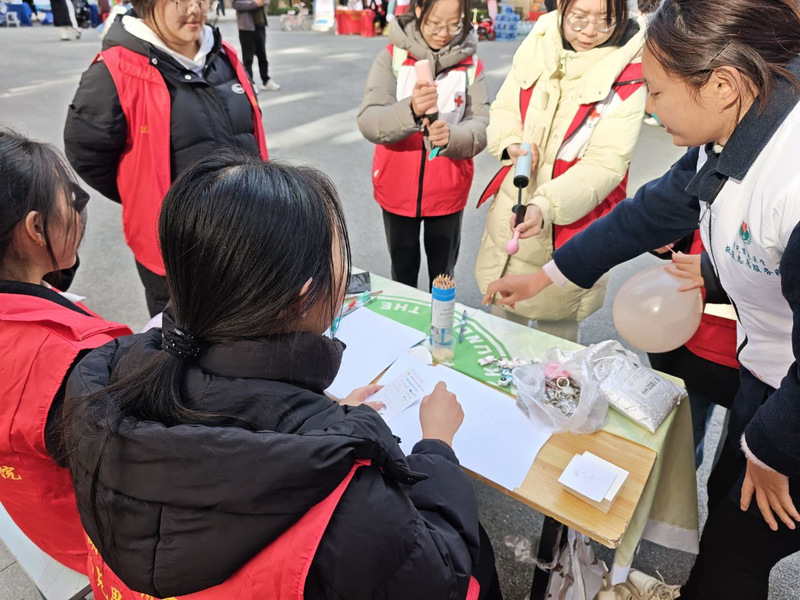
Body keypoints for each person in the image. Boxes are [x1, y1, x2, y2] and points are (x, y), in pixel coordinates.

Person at [63, 152, 501, 600]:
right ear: (303, 296)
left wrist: (330, 417)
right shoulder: (347, 496)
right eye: (338, 260)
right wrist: (437, 446)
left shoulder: (108, 378)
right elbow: (439, 579)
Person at [484, 0, 800, 597]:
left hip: (791, 401)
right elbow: (650, 212)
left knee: (735, 551)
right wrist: (548, 275)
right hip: (768, 375)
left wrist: (774, 448)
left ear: (723, 85)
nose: (650, 110)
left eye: (656, 92)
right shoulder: (738, 128)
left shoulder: (792, 177)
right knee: (728, 515)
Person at [64, 0, 268, 318]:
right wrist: (142, 192)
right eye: (179, 0)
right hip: (176, 248)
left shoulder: (225, 56)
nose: (195, 9)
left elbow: (250, 133)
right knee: (186, 335)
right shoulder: (113, 71)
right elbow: (87, 153)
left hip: (247, 232)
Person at [474, 0, 646, 342]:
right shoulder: (539, 41)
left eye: (605, 20)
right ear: (562, 7)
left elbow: (605, 163)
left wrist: (546, 205)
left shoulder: (630, 76)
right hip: (515, 199)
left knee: (558, 334)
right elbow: (506, 106)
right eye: (578, 18)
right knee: (502, 327)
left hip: (570, 219)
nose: (590, 31)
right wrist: (511, 143)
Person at [0, 128, 132, 573]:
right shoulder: (67, 359)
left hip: (39, 515)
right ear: (34, 229)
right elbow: (141, 462)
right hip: (102, 539)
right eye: (71, 202)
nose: (78, 212)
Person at [357, 0, 489, 291]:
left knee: (443, 276)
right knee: (402, 273)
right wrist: (411, 110)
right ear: (418, 11)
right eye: (434, 24)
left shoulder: (471, 65)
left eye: (454, 25)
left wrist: (453, 137)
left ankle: (439, 319)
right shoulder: (392, 58)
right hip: (397, 188)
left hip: (447, 191)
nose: (444, 33)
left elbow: (481, 124)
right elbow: (369, 120)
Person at [232, 0, 280, 91]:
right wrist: (254, 4)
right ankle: (250, 83)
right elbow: (236, 4)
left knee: (262, 55)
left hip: (260, 24)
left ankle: (266, 80)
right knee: (248, 58)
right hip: (246, 28)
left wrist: (263, 1)